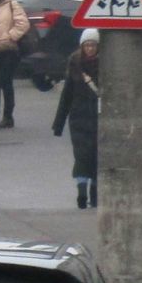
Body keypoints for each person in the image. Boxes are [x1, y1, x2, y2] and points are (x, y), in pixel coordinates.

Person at [53, 28, 101, 210]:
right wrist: (58, 124)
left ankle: (95, 195)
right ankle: (82, 193)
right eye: (87, 45)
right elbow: (66, 96)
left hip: (97, 118)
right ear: (82, 46)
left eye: (93, 45)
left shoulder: (104, 65)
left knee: (97, 157)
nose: (90, 48)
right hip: (79, 118)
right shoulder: (75, 65)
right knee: (81, 157)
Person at [0, 0, 30, 129]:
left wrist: (10, 36)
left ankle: (7, 116)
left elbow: (23, 24)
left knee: (5, 81)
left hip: (8, 49)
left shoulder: (11, 3)